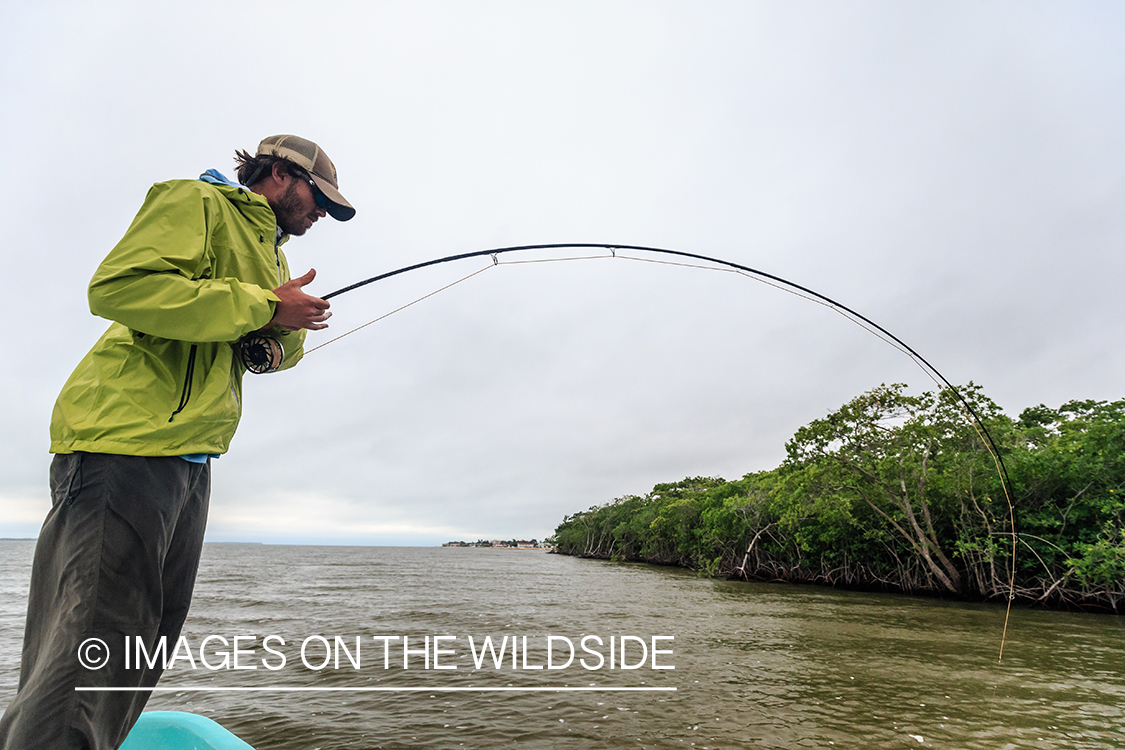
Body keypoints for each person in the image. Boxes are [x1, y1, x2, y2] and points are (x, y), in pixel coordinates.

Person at [0, 135, 355, 749]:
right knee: (94, 641)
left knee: (139, 645)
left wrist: (273, 339)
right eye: (318, 197)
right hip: (127, 442)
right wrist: (263, 305)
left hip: (191, 457)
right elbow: (119, 287)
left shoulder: (272, 258)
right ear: (277, 173)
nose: (321, 212)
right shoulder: (197, 201)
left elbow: (266, 342)